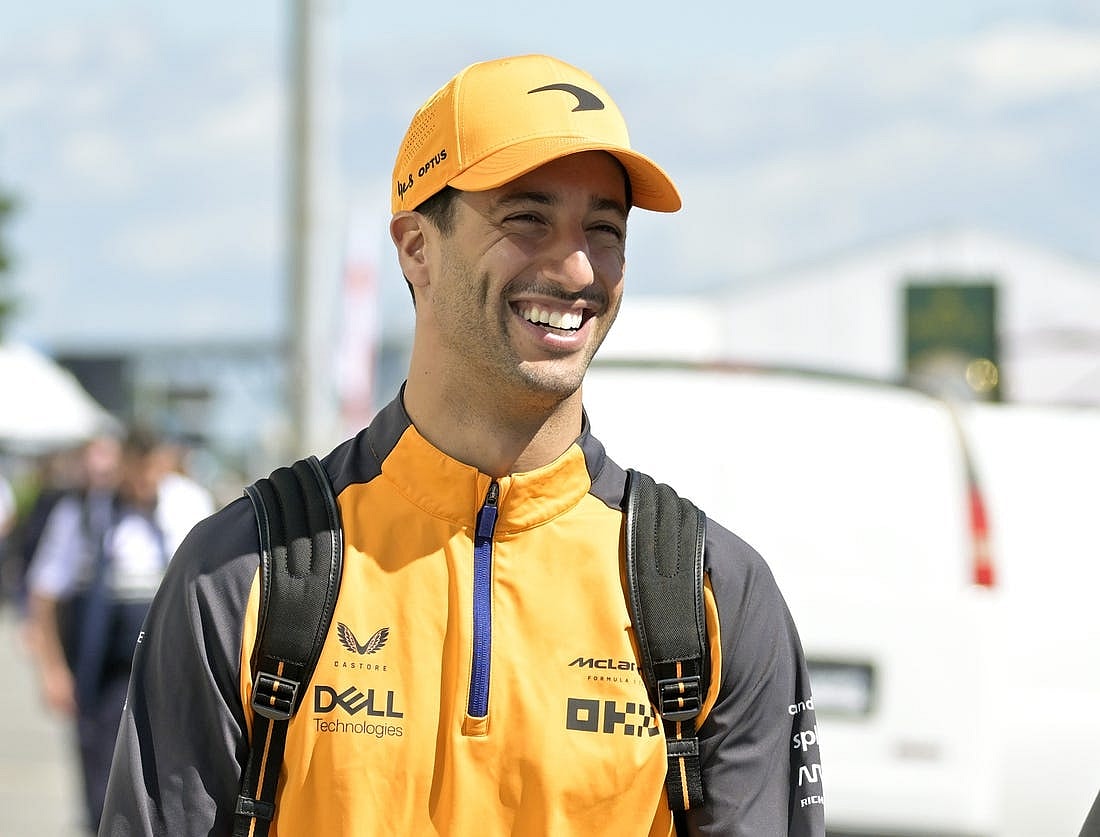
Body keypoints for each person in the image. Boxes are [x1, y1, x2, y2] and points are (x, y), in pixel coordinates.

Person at [100, 54, 824, 836]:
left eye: (605, 229)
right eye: (527, 219)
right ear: (416, 245)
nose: (577, 266)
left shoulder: (710, 592)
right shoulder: (247, 573)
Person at [25, 427, 212, 833]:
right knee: (103, 781)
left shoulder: (188, 505)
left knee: (174, 780)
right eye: (136, 469)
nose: (144, 481)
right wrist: (53, 670)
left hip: (170, 667)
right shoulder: (82, 513)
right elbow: (44, 593)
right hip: (104, 670)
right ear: (122, 464)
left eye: (153, 469)